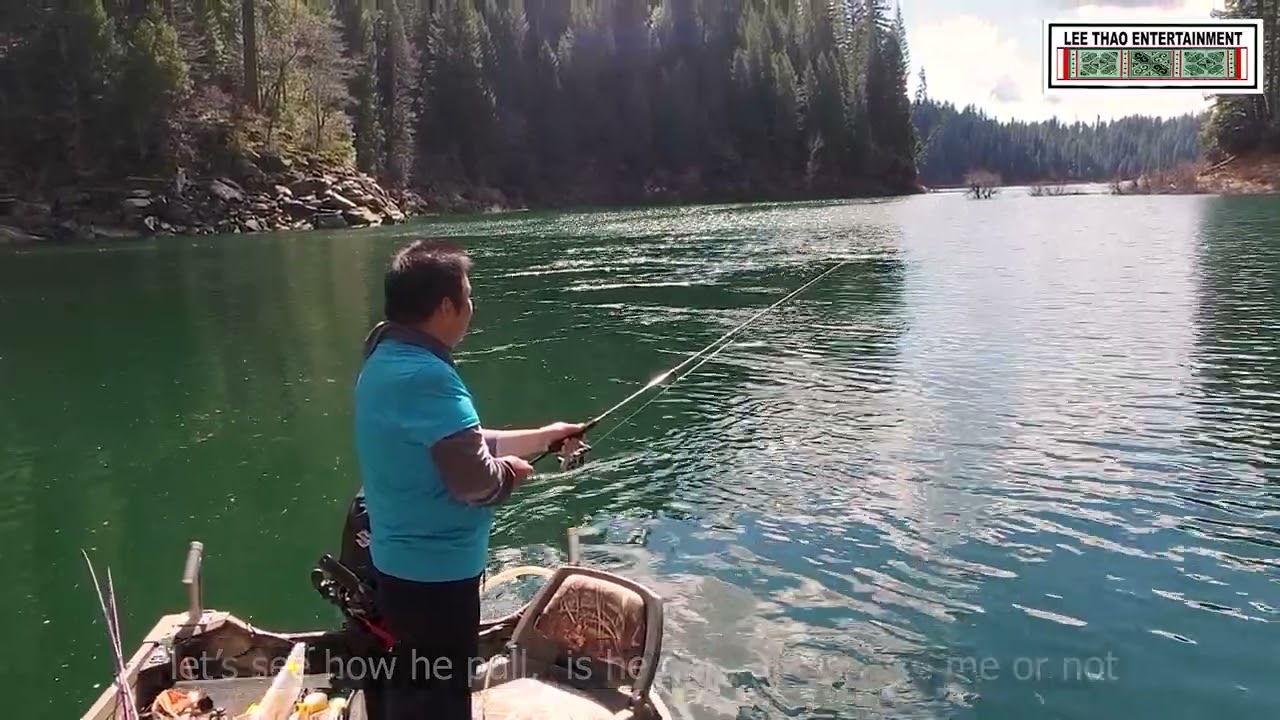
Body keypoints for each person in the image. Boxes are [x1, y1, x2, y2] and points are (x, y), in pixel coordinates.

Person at [353, 238, 584, 719]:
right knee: (440, 698)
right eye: (468, 295)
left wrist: (542, 437)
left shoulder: (384, 359)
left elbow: (460, 440)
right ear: (445, 306)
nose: (471, 306)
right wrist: (512, 477)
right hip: (436, 576)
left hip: (397, 565)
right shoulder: (428, 378)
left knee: (416, 681)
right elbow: (475, 480)